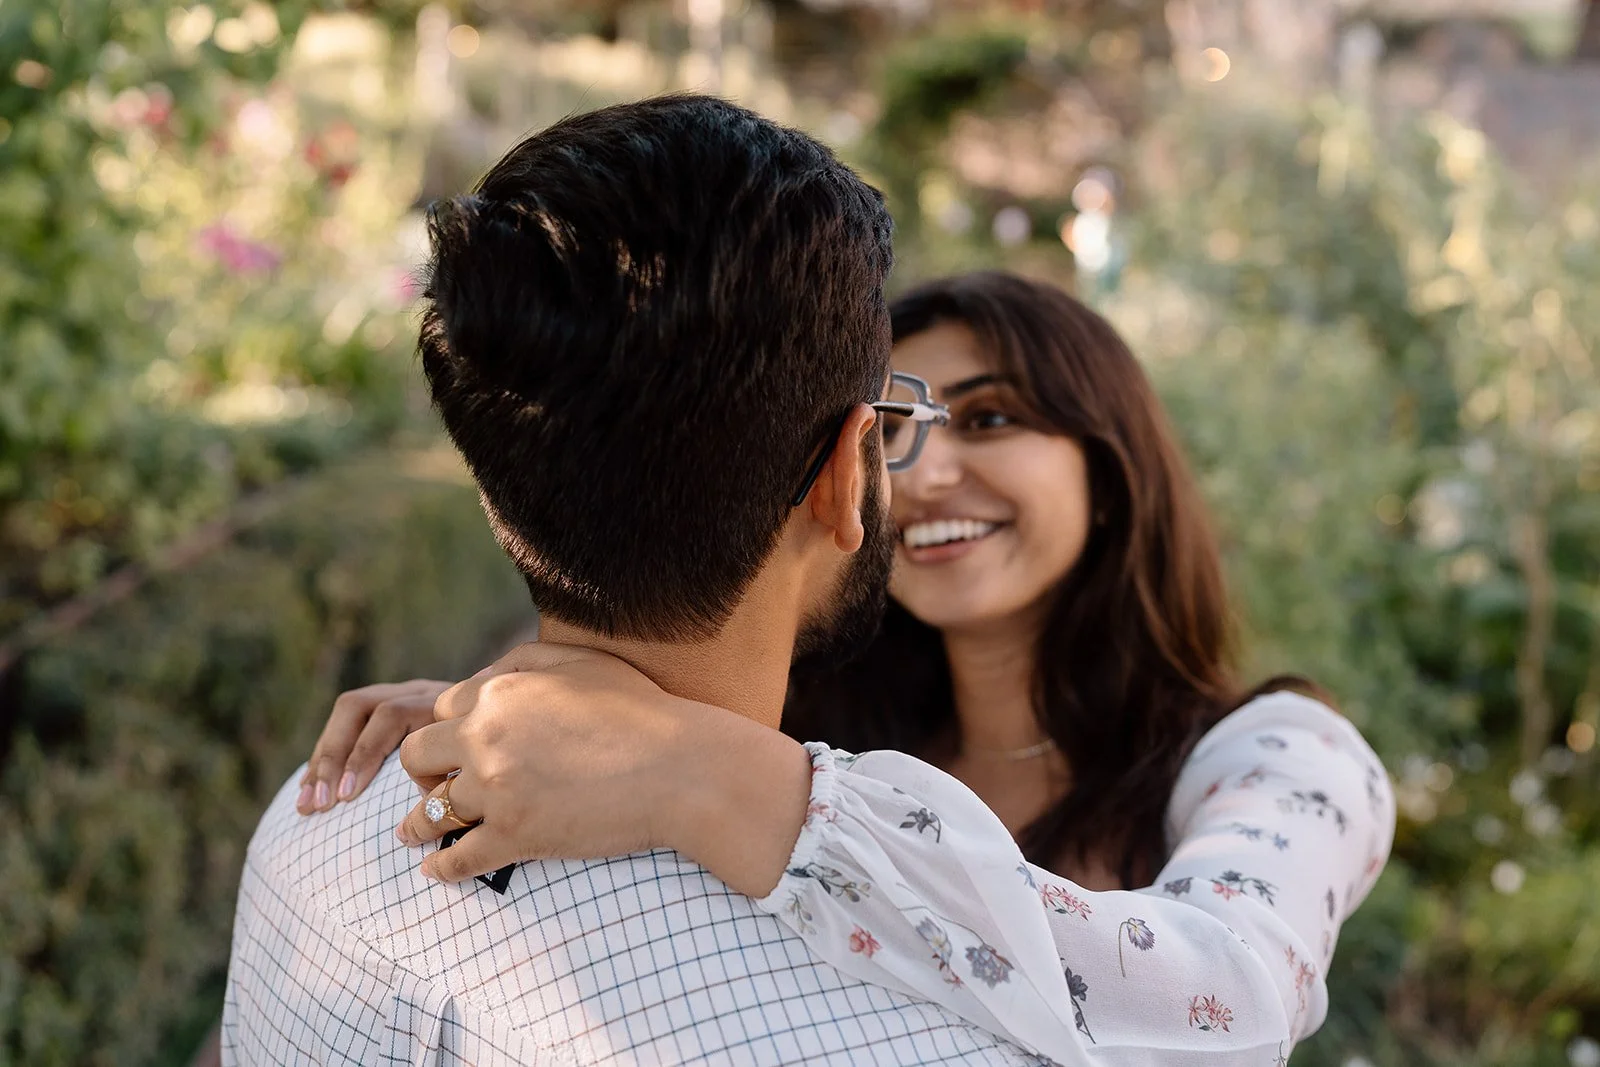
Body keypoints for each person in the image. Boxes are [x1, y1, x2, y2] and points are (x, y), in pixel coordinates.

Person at [300, 273, 1397, 1062]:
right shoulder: (825, 728)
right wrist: (505, 720)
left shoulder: (1278, 753)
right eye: (902, 429)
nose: (927, 475)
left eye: (995, 416)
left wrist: (700, 773)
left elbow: (1240, 992)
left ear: (1108, 468)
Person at [222, 96, 1087, 1066]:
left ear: (496, 478)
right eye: (893, 424)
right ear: (847, 473)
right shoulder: (921, 1030)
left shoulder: (319, 805)